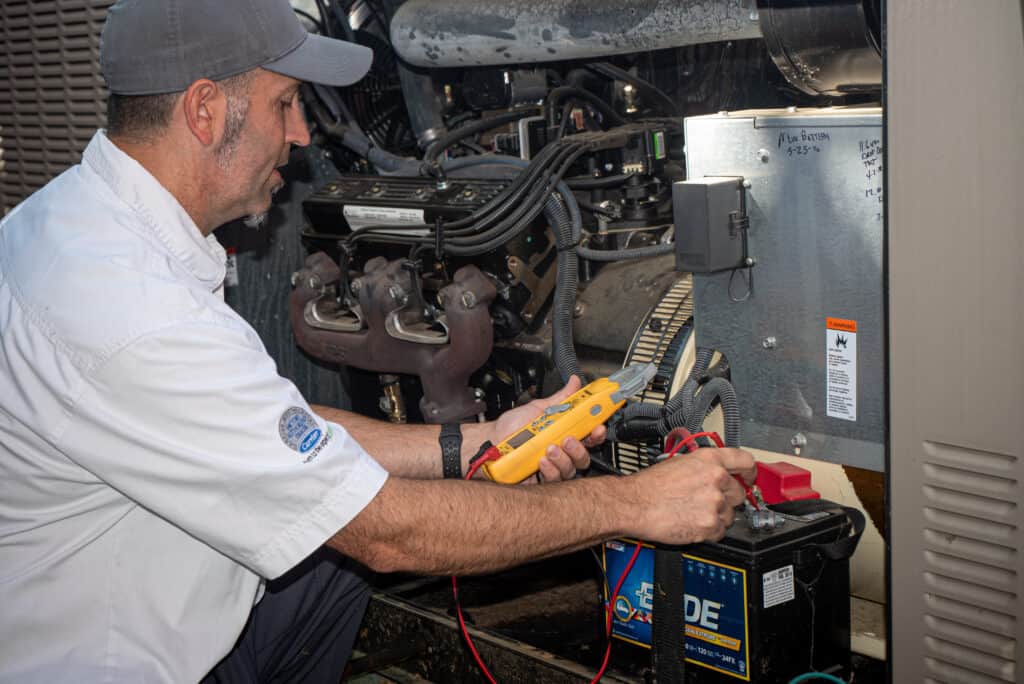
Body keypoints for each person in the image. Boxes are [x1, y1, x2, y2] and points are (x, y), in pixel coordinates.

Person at [0, 0, 757, 682]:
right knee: (358, 534)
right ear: (204, 111)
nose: (300, 137)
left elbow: (281, 428)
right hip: (114, 661)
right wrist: (634, 504)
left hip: (156, 598)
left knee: (330, 544)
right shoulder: (130, 312)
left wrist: (481, 438)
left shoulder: (74, 225)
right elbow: (391, 534)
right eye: (286, 103)